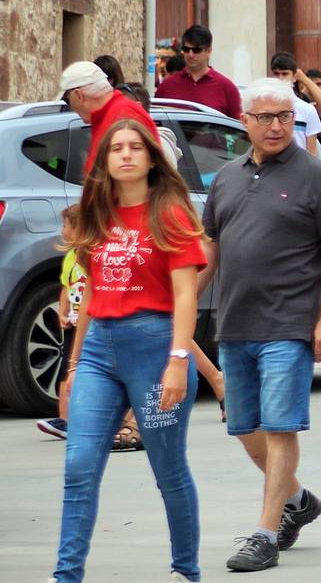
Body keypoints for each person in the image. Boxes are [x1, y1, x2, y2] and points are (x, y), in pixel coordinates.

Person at [198, 78, 321, 572]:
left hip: (289, 324)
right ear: (244, 122)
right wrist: (177, 303)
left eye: (284, 116)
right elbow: (210, 249)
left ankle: (265, 532)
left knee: (280, 425)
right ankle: (298, 500)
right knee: (245, 427)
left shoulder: (316, 176)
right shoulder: (227, 177)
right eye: (264, 117)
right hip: (235, 323)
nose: (275, 125)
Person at [52, 119, 207, 583]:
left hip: (155, 349)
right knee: (79, 465)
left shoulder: (171, 213)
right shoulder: (96, 212)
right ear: (104, 161)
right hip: (100, 347)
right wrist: (75, 364)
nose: (124, 155)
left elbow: (186, 297)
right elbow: (91, 294)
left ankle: (186, 571)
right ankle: (66, 575)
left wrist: (178, 363)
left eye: (134, 148)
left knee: (167, 468)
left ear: (151, 158)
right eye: (115, 148)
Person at [37, 206, 89, 441]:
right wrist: (63, 312)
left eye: (66, 226)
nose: (63, 230)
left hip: (92, 325)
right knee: (66, 371)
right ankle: (65, 421)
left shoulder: (91, 256)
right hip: (74, 324)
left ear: (79, 228)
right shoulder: (70, 257)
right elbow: (66, 287)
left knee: (89, 374)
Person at [59, 62, 157, 172]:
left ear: (78, 95)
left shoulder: (124, 115)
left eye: (67, 100)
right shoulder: (110, 115)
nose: (71, 107)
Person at [154, 25, 243, 118]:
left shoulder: (227, 88)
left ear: (208, 51)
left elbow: (238, 128)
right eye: (186, 49)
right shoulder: (167, 86)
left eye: (196, 50)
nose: (191, 55)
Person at [269, 53, 321, 155]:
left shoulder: (307, 110)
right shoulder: (263, 107)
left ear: (294, 77)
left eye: (285, 74)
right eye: (276, 74)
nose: (280, 78)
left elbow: (312, 154)